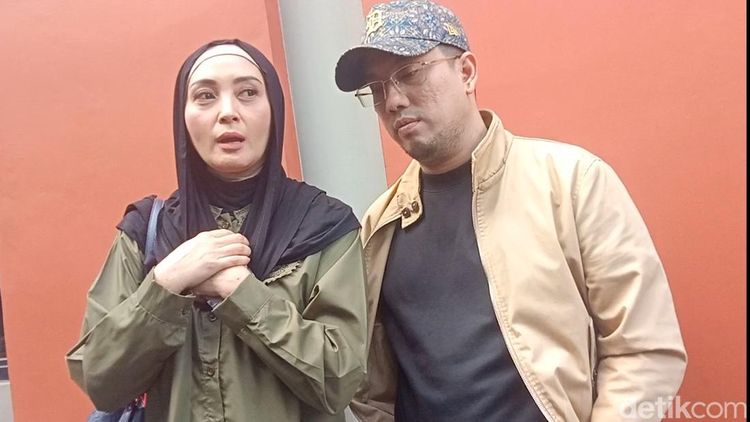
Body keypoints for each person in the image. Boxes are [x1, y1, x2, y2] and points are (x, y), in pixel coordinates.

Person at [334, 1, 687, 421]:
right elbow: (370, 385)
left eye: (409, 73)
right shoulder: (379, 225)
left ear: (466, 72)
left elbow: (645, 350)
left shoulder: (571, 182)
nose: (392, 100)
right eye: (376, 89)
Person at [67, 39, 367, 422]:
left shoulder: (324, 228)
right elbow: (100, 381)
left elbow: (341, 380)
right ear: (183, 116)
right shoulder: (146, 234)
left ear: (274, 109)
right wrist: (165, 284)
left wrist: (241, 293)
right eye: (205, 96)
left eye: (248, 93)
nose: (228, 113)